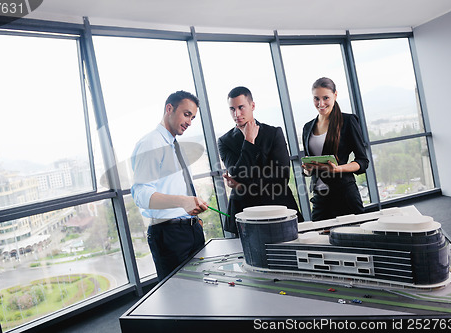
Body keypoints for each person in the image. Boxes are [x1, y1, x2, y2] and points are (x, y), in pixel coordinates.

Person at [131, 90, 208, 281]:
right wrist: (182, 202)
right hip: (169, 235)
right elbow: (141, 195)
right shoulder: (151, 144)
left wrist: (193, 219)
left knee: (202, 293)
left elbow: (177, 186)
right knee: (179, 298)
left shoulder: (174, 145)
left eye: (193, 117)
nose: (189, 122)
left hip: (190, 229)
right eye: (186, 114)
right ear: (169, 109)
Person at [218, 86, 303, 236]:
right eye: (232, 109)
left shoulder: (273, 133)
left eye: (241, 107)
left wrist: (242, 187)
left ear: (252, 106)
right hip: (244, 213)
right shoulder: (224, 141)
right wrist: (249, 141)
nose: (236, 114)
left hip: (277, 206)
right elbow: (238, 174)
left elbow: (281, 177)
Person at [302, 77, 369, 221]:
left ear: (335, 95)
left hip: (344, 194)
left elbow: (363, 161)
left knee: (355, 239)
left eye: (326, 97)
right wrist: (307, 170)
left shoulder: (348, 121)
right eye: (316, 99)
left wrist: (338, 169)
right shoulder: (308, 127)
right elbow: (310, 164)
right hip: (320, 197)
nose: (321, 103)